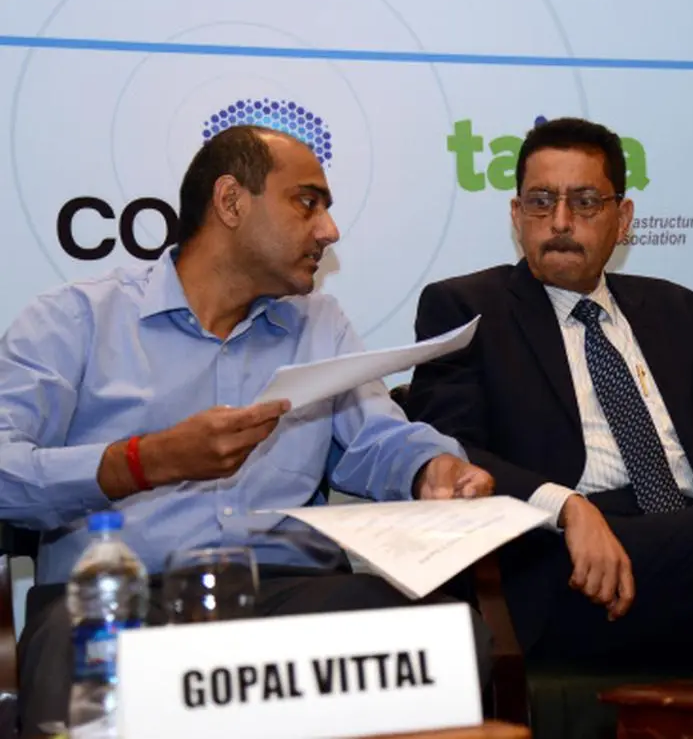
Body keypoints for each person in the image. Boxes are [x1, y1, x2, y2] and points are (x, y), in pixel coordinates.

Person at [0, 125, 494, 737]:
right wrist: (141, 461)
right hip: (123, 602)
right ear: (231, 202)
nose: (329, 230)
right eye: (307, 203)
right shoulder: (76, 319)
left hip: (291, 595)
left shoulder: (319, 324)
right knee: (79, 670)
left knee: (445, 638)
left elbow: (378, 439)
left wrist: (433, 468)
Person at [407, 117, 693, 674]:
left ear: (622, 218)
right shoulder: (465, 309)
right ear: (516, 216)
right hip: (563, 559)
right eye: (540, 202)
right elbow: (452, 452)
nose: (560, 222)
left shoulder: (676, 310)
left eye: (584, 202)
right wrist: (566, 507)